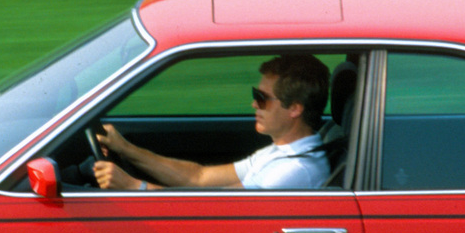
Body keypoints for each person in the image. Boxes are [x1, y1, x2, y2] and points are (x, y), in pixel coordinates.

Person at [94, 54, 333, 191]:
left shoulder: (293, 170)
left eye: (262, 99)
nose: (254, 104)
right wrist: (126, 149)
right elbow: (198, 177)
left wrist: (134, 187)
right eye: (255, 95)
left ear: (294, 109)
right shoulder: (280, 152)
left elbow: (211, 208)